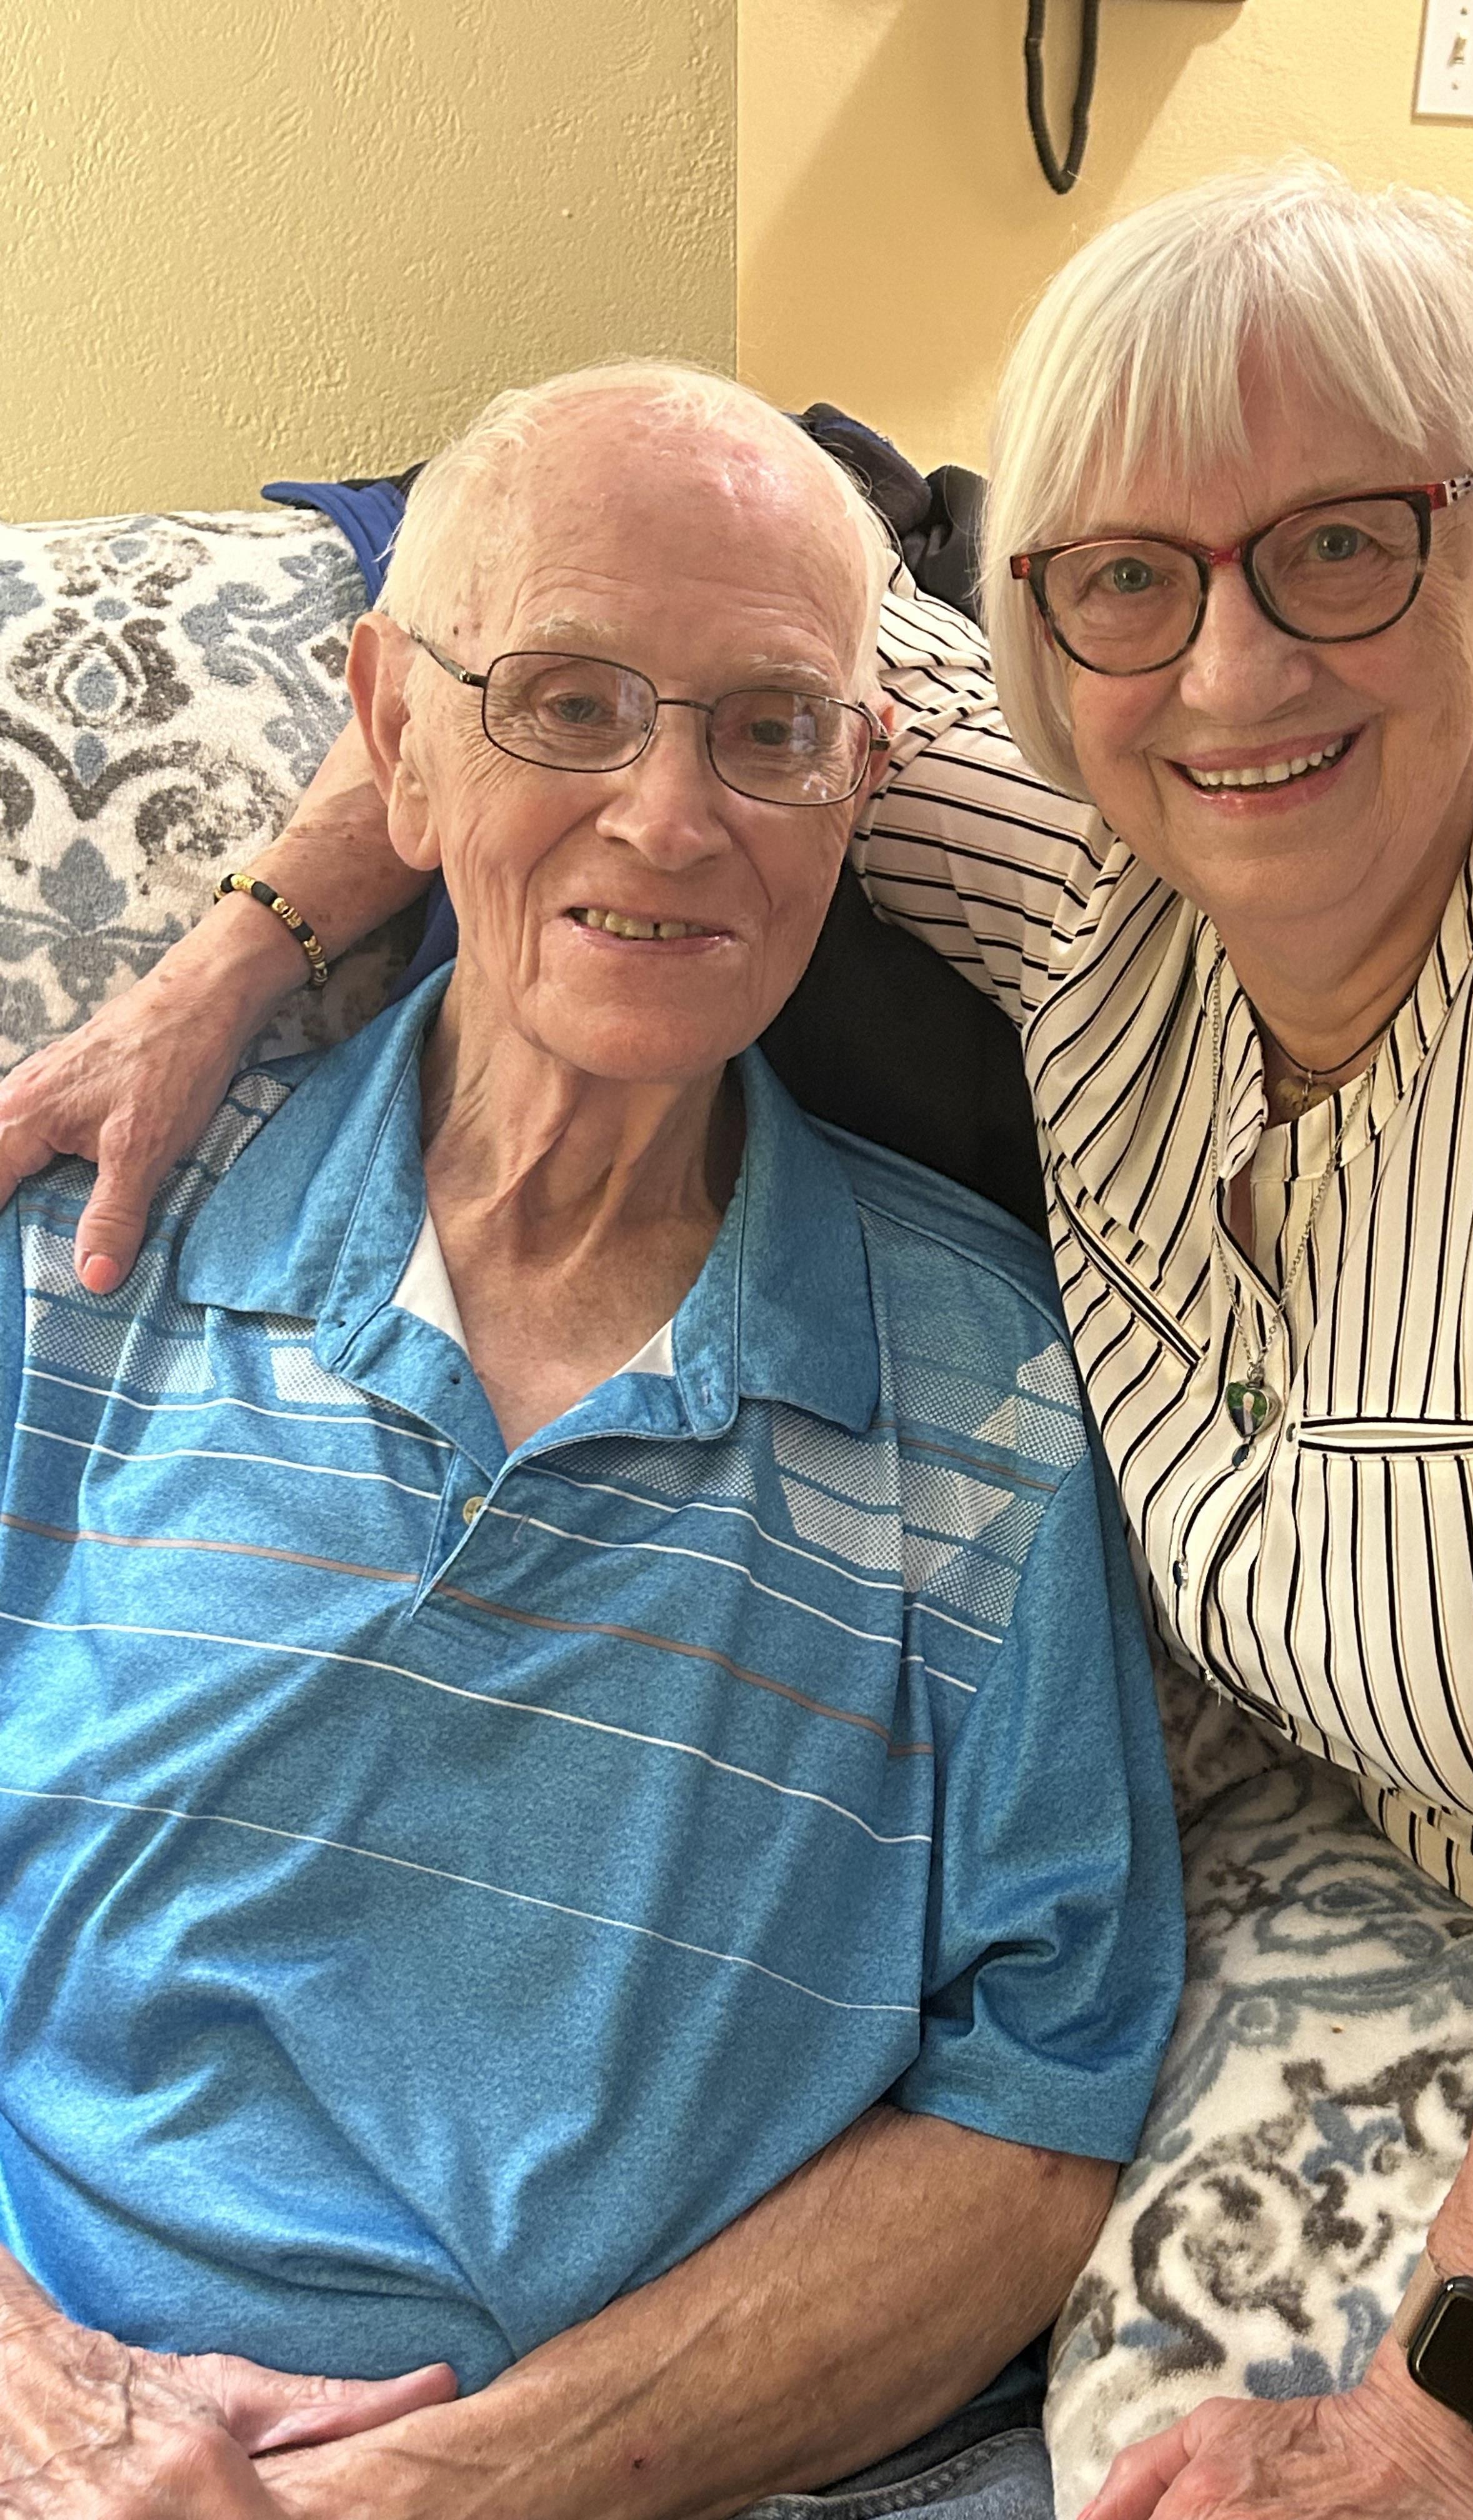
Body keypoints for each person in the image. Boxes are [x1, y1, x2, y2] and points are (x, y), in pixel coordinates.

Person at [9, 159, 1473, 2516]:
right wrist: (218, 975)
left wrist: (1430, 2429)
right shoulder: (1102, 870)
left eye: (1344, 544)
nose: (1228, 672)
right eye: (1128, 577)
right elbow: (597, 623)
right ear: (1024, 633)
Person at [0, 364, 1186, 2518]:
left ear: (863, 777)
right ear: (398, 738)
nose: (669, 814)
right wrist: (37, 2405)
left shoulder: (995, 1378)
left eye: (768, 727)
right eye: (565, 702)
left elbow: (1043, 2108)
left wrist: (412, 2501)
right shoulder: (84, 1259)